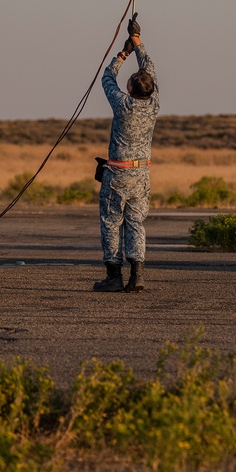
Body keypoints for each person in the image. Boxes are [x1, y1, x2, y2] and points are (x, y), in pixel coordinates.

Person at [94, 15, 159, 293]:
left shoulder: (123, 104)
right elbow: (149, 70)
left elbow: (107, 77)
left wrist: (124, 53)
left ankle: (113, 275)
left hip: (118, 174)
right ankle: (137, 274)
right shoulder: (153, 103)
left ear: (131, 89)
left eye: (131, 80)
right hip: (141, 174)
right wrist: (138, 41)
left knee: (111, 221)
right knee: (136, 223)